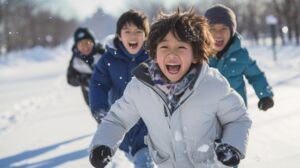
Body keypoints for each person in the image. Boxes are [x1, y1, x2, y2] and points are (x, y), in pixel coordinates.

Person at [89, 9, 252, 168]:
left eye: (181, 47)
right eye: (164, 47)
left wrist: (232, 145)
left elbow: (237, 118)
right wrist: (103, 144)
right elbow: (118, 119)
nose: (172, 54)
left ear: (195, 54)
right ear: (154, 53)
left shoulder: (212, 84)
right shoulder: (141, 88)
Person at [88, 10, 154, 168]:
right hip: (122, 122)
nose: (133, 36)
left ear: (146, 35)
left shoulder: (153, 57)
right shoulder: (109, 59)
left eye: (138, 31)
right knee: (131, 154)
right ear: (119, 35)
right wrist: (99, 109)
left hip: (148, 125)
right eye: (127, 31)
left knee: (144, 160)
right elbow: (98, 84)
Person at [205, 4, 274, 111]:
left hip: (236, 113)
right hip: (207, 114)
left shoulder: (240, 55)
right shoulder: (199, 55)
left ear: (231, 32)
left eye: (224, 28)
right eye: (212, 29)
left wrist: (265, 95)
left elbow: (256, 75)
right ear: (205, 32)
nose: (218, 34)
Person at [67, 27, 105, 106]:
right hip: (90, 96)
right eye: (81, 44)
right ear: (76, 46)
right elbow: (70, 78)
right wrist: (82, 79)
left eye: (87, 42)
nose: (85, 47)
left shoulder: (102, 54)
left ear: (93, 42)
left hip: (108, 92)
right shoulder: (76, 60)